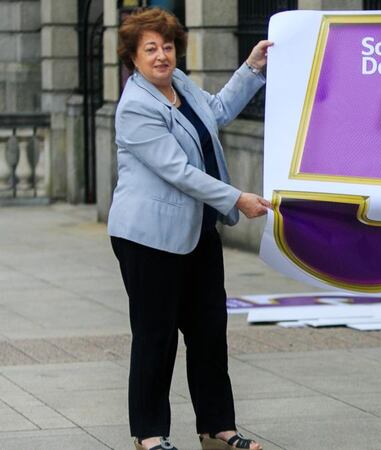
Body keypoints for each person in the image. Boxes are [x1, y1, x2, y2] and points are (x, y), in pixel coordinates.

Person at [108, 7, 272, 450]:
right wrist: (235, 197)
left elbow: (215, 111)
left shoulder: (178, 84)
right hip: (147, 237)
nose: (162, 56)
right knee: (155, 336)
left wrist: (253, 68)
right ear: (132, 58)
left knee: (208, 331)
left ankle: (218, 429)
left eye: (167, 46)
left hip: (197, 231)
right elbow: (177, 170)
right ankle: (149, 435)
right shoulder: (136, 106)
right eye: (150, 49)